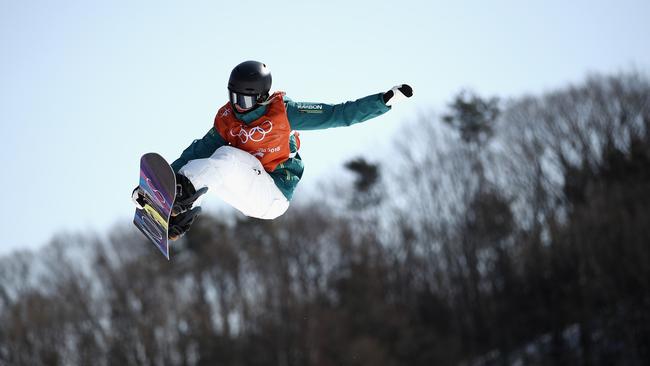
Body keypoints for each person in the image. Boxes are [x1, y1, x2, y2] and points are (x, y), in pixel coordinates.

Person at [134, 60, 413, 239]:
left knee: (227, 157)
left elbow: (337, 114)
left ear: (262, 96)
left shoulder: (284, 113)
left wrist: (384, 100)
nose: (239, 105)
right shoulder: (227, 120)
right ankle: (173, 213)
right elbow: (196, 152)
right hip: (246, 189)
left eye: (245, 99)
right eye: (234, 97)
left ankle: (179, 198)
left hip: (273, 195)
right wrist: (159, 184)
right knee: (206, 162)